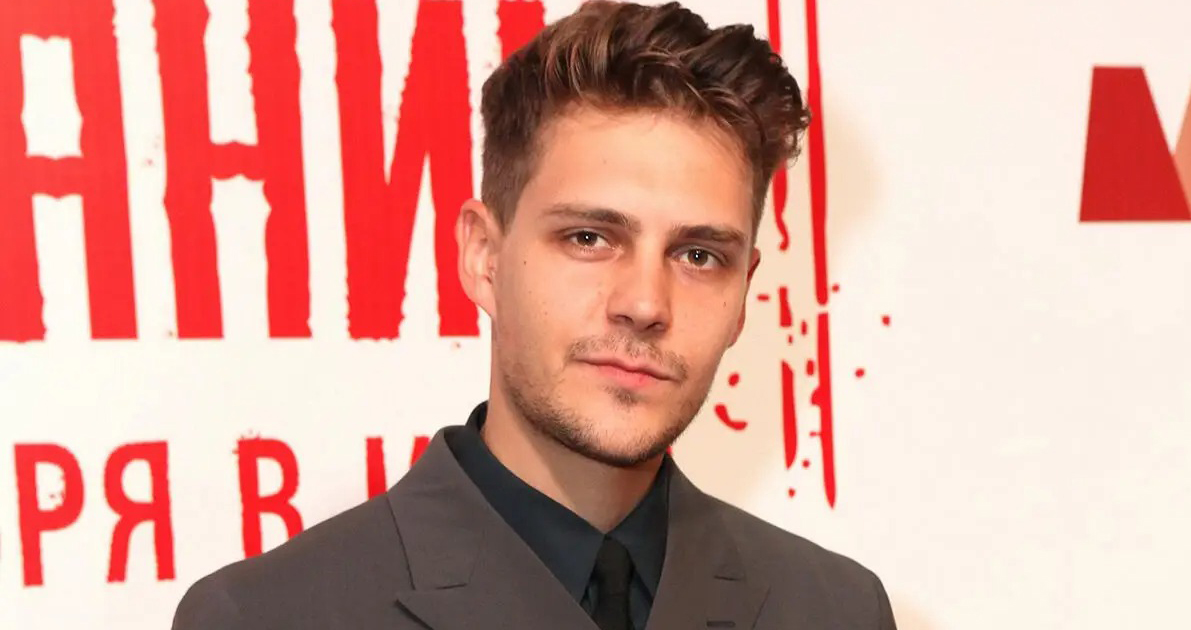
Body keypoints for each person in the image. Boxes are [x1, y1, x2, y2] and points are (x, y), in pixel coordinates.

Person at [172, 2, 897, 628]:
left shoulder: (835, 610)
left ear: (744, 296)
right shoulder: (268, 616)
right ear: (484, 257)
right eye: (589, 238)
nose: (645, 304)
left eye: (699, 255)